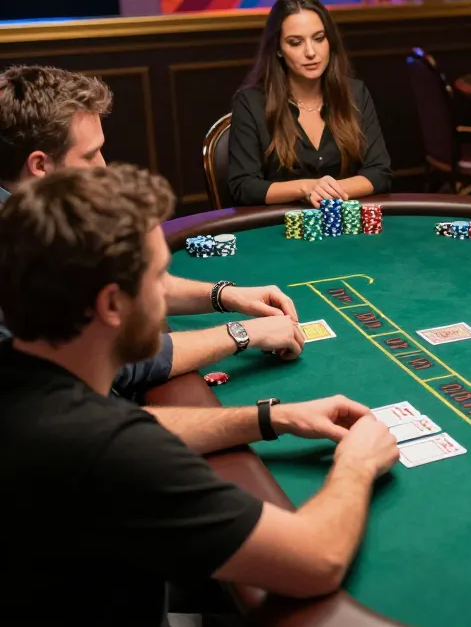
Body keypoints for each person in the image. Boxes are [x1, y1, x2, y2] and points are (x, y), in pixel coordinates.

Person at [0, 163, 400, 627]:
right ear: (111, 305)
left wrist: (270, 418)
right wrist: (357, 464)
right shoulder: (105, 449)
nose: (167, 296)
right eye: (159, 278)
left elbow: (129, 427)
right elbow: (316, 559)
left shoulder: (22, 377)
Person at [0, 64, 307, 403]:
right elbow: (118, 361)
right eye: (89, 155)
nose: (103, 166)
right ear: (40, 166)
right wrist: (242, 333)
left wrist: (226, 295)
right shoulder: (21, 250)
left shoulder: (40, 212)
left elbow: (125, 283)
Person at [229, 0, 393, 207]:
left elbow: (380, 173)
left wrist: (325, 191)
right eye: (295, 42)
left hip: (344, 221)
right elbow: (244, 186)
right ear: (278, 49)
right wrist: (306, 188)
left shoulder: (355, 93)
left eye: (318, 38)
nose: (310, 52)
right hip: (280, 224)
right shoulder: (250, 103)